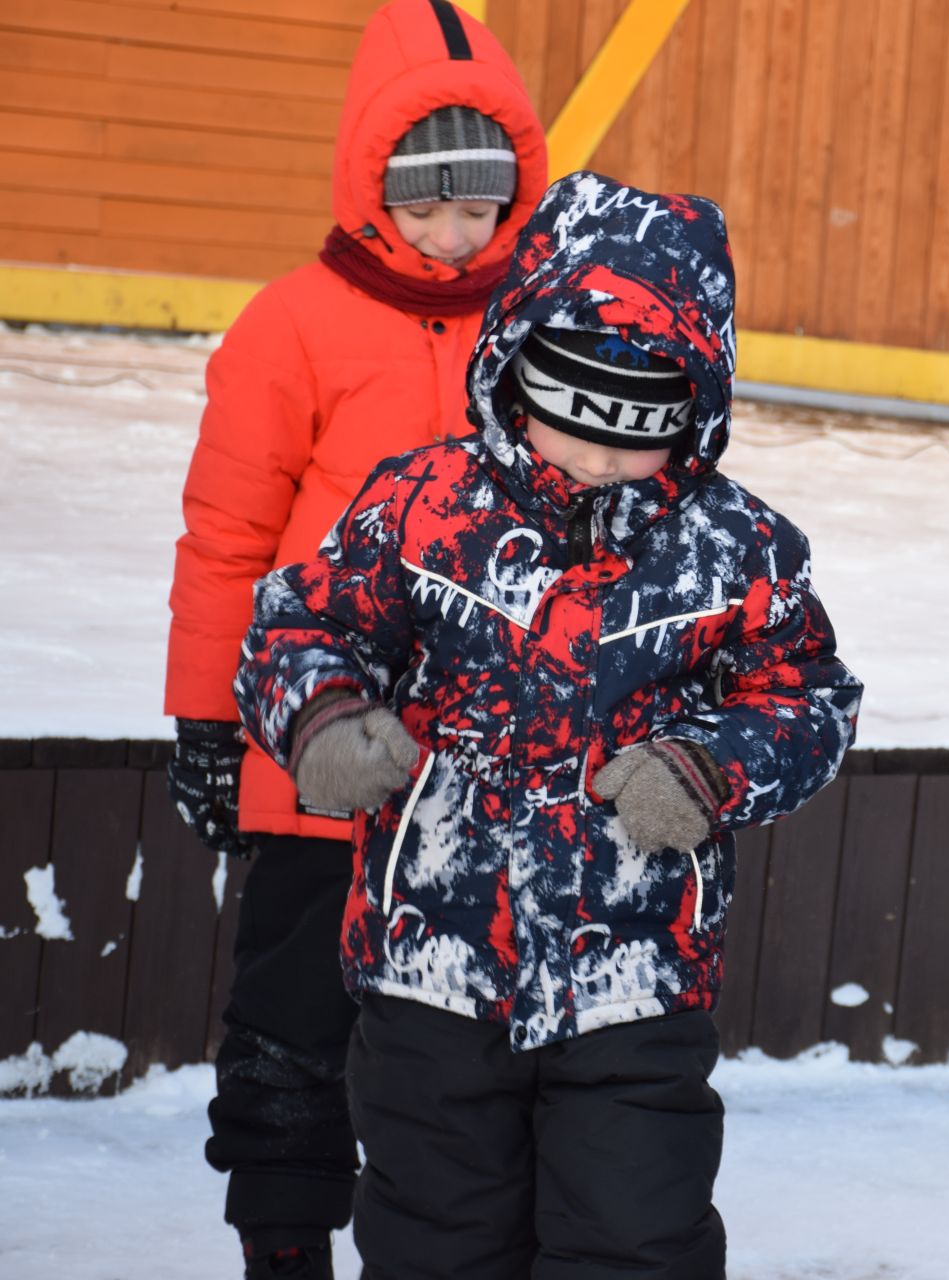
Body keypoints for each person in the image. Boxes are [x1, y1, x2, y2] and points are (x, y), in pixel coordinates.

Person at [231, 169, 860, 1279]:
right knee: (437, 1240)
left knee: (635, 1239)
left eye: (636, 435)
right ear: (513, 373)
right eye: (568, 421)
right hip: (431, 961)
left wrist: (709, 765)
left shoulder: (738, 548)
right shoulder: (425, 503)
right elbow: (303, 620)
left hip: (636, 973)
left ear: (695, 409)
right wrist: (324, 716)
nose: (597, 460)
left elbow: (806, 694)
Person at [161, 2, 547, 1274]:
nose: (453, 236)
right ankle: (282, 1247)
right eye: (426, 205)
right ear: (372, 186)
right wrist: (211, 719)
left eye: (479, 207)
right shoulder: (292, 325)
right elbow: (228, 538)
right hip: (311, 756)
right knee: (291, 1028)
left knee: (445, 1050)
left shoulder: (535, 329)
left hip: (478, 773)